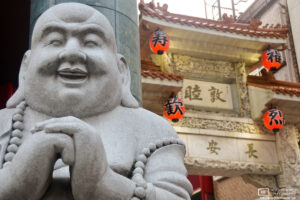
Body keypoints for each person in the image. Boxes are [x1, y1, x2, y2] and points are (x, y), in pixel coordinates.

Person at [0, 3, 192, 200]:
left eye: (91, 42)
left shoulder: (152, 129)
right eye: (55, 41)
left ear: (122, 70)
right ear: (25, 67)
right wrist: (14, 181)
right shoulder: (4, 123)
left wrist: (107, 184)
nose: (72, 52)